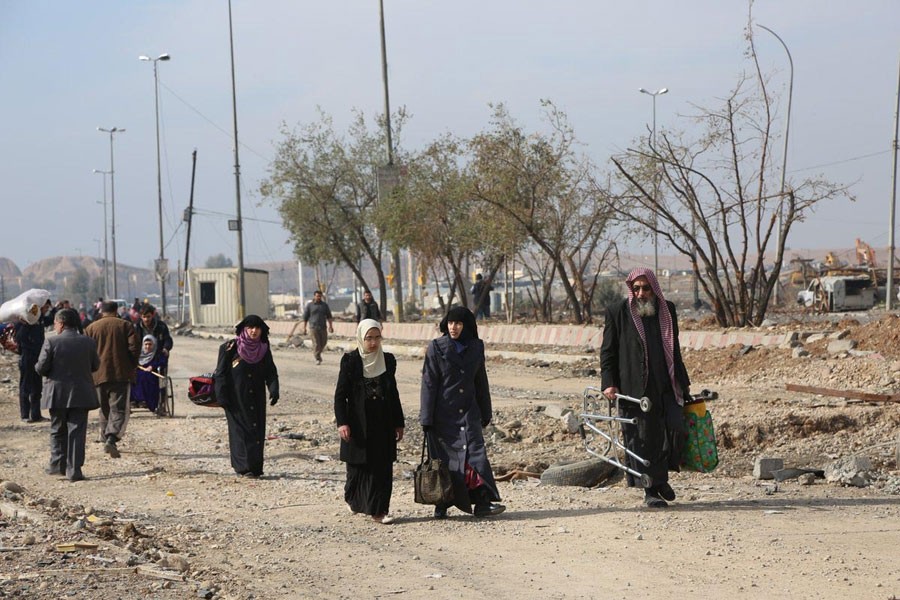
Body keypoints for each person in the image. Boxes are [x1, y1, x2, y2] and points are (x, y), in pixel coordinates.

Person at [600, 267, 691, 508]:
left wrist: (682, 380)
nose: (641, 293)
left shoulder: (666, 310)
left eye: (646, 288)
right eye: (636, 288)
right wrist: (609, 383)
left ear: (654, 288)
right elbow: (608, 351)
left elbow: (675, 348)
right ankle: (649, 488)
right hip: (634, 387)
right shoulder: (617, 312)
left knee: (674, 429)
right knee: (641, 438)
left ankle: (660, 480)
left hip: (667, 383)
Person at [419, 306, 505, 519]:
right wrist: (426, 418)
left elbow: (480, 381)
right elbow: (429, 384)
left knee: (476, 456)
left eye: (458, 323)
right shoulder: (436, 348)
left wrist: (486, 411)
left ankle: (483, 502)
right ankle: (441, 504)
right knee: (445, 461)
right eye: (450, 323)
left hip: (469, 412)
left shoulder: (476, 347)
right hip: (443, 415)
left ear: (466, 325)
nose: (453, 327)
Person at [334, 319, 405, 524]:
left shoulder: (388, 361)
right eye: (369, 338)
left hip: (383, 420)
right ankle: (353, 498)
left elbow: (394, 393)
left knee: (382, 468)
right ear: (361, 338)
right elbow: (341, 395)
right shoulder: (351, 361)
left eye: (377, 337)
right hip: (358, 422)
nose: (373, 343)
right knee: (358, 467)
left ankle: (379, 510)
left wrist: (399, 423)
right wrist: (342, 423)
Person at [34, 308, 100, 482]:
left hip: (57, 394)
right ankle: (74, 470)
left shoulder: (51, 342)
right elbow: (95, 365)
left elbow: (41, 368)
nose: (55, 326)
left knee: (57, 429)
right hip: (81, 394)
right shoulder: (88, 342)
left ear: (61, 323)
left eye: (55, 323)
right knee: (77, 432)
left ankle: (57, 465)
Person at [214, 315, 280, 478]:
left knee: (256, 432)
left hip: (256, 397)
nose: (254, 331)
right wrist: (221, 396)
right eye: (250, 328)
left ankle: (255, 467)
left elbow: (270, 371)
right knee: (240, 432)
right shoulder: (230, 348)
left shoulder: (263, 349)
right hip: (235, 398)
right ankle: (243, 467)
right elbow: (220, 373)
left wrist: (274, 389)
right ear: (244, 329)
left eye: (257, 328)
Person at [84, 300, 140, 459]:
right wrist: (132, 365)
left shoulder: (91, 328)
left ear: (101, 312)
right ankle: (111, 437)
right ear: (116, 311)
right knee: (119, 408)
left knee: (104, 407)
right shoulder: (125, 326)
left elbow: (86, 350)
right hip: (120, 373)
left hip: (98, 375)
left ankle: (104, 436)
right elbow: (134, 348)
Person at [14, 300, 53, 422]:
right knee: (25, 387)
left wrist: (57, 309)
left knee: (37, 387)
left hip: (38, 356)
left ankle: (36, 415)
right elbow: (18, 338)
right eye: (46, 307)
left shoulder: (40, 319)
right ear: (40, 307)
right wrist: (26, 324)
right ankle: (25, 415)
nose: (47, 310)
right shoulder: (24, 321)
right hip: (26, 356)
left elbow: (51, 320)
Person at [134, 304, 173, 415]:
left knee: (158, 378)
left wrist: (166, 348)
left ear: (153, 315)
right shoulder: (137, 328)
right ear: (141, 317)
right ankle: (138, 399)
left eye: (149, 317)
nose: (146, 319)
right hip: (141, 356)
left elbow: (167, 339)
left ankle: (159, 403)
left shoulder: (161, 326)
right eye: (144, 317)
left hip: (157, 356)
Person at [131, 335, 167, 414]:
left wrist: (152, 366)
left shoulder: (158, 354)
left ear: (154, 345)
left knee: (145, 377)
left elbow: (162, 362)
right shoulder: (138, 354)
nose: (147, 347)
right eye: (146, 344)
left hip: (152, 374)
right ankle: (134, 400)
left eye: (150, 344)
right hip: (138, 372)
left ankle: (144, 400)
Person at [302, 290, 334, 364]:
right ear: (314, 296)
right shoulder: (310, 305)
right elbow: (305, 318)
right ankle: (317, 358)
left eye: (319, 296)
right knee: (316, 343)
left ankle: (317, 353)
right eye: (317, 296)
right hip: (313, 327)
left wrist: (331, 326)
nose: (318, 297)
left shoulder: (324, 305)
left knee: (323, 342)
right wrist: (304, 328)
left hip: (323, 327)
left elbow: (329, 316)